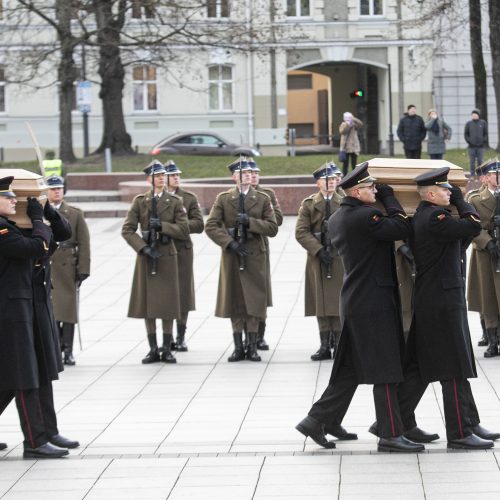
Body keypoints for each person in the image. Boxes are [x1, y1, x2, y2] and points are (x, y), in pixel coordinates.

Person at [296, 162, 425, 452]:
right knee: (386, 369)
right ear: (356, 191)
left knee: (349, 370)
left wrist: (382, 198)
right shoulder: (367, 216)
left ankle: (317, 420)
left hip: (357, 300)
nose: (375, 191)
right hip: (372, 303)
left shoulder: (342, 216)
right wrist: (391, 198)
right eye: (371, 188)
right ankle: (390, 434)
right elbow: (402, 226)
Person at [395, 166, 499, 449]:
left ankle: (395, 419)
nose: (450, 192)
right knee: (452, 365)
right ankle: (459, 432)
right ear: (431, 194)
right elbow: (474, 224)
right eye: (445, 189)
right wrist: (461, 201)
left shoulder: (431, 218)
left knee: (421, 366)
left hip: (438, 298)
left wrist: (455, 202)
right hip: (440, 301)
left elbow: (460, 240)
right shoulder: (435, 218)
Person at [0, 176, 71, 458]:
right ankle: (35, 442)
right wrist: (39, 222)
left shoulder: (17, 225)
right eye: (8, 197)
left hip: (30, 303)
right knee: (24, 375)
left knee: (36, 371)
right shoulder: (3, 230)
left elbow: (62, 234)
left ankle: (48, 432)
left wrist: (47, 211)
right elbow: (33, 248)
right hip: (10, 311)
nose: (14, 200)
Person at [205, 158, 278, 362]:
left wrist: (251, 223)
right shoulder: (223, 198)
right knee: (235, 301)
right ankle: (238, 347)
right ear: (233, 177)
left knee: (254, 302)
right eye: (242, 173)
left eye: (248, 172)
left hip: (255, 255)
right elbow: (211, 225)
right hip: (233, 255)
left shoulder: (262, 198)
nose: (247, 175)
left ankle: (252, 346)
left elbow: (272, 227)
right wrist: (229, 242)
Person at [122, 161, 189, 364]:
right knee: (149, 305)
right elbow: (127, 229)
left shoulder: (175, 201)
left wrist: (163, 227)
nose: (160, 178)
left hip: (167, 255)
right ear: (149, 180)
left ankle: (167, 348)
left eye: (162, 175)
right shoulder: (140, 201)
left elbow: (184, 229)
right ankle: (153, 348)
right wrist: (142, 247)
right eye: (156, 176)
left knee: (168, 304)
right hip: (147, 256)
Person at [295, 163, 344, 361]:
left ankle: (340, 344)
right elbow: (301, 231)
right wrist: (317, 249)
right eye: (327, 180)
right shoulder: (308, 204)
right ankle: (324, 344)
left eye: (333, 179)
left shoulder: (344, 202)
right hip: (318, 258)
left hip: (339, 257)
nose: (331, 182)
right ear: (318, 183)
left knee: (339, 300)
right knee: (322, 301)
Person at [48, 175, 91, 366]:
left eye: (59, 188)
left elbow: (84, 243)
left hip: (67, 264)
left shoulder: (74, 213)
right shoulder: (41, 213)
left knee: (68, 310)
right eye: (53, 188)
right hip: (49, 262)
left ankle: (68, 349)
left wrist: (83, 268)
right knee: (52, 310)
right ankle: (55, 348)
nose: (57, 191)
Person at [164, 160, 204, 352]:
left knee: (183, 293)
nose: (176, 178)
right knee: (166, 294)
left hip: (182, 250)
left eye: (178, 175)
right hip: (163, 250)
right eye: (172, 176)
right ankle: (167, 336)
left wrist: (177, 227)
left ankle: (180, 336)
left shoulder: (188, 198)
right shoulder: (156, 200)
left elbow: (199, 224)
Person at [248, 157, 283, 350]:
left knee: (261, 292)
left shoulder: (267, 194)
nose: (253, 176)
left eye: (256, 173)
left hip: (260, 246)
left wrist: (253, 221)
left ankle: (260, 334)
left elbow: (277, 219)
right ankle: (247, 335)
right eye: (250, 173)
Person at [467, 160, 500, 358]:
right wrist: (487, 241)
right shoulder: (476, 199)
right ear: (486, 178)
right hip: (487, 253)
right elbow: (472, 226)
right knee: (488, 297)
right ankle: (492, 339)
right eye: (496, 174)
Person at [464, 109, 488, 176]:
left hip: (480, 147)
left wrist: (483, 141)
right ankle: (472, 176)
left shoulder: (483, 123)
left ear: (478, 115)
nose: (474, 115)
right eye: (472, 115)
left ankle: (480, 175)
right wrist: (469, 142)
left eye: (475, 114)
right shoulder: (468, 123)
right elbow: (466, 134)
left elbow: (485, 134)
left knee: (480, 161)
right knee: (472, 162)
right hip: (471, 147)